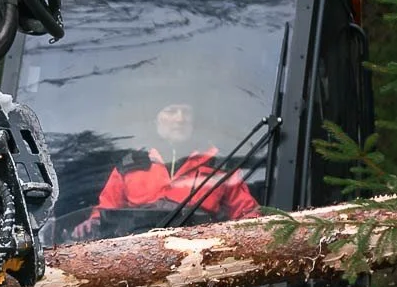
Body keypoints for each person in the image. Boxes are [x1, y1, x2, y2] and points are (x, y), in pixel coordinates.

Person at [71, 101, 258, 237]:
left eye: (186, 112)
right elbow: (105, 214)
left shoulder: (218, 167)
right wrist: (90, 225)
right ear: (156, 120)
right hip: (134, 263)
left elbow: (248, 215)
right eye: (172, 111)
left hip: (201, 265)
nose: (180, 119)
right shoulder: (130, 164)